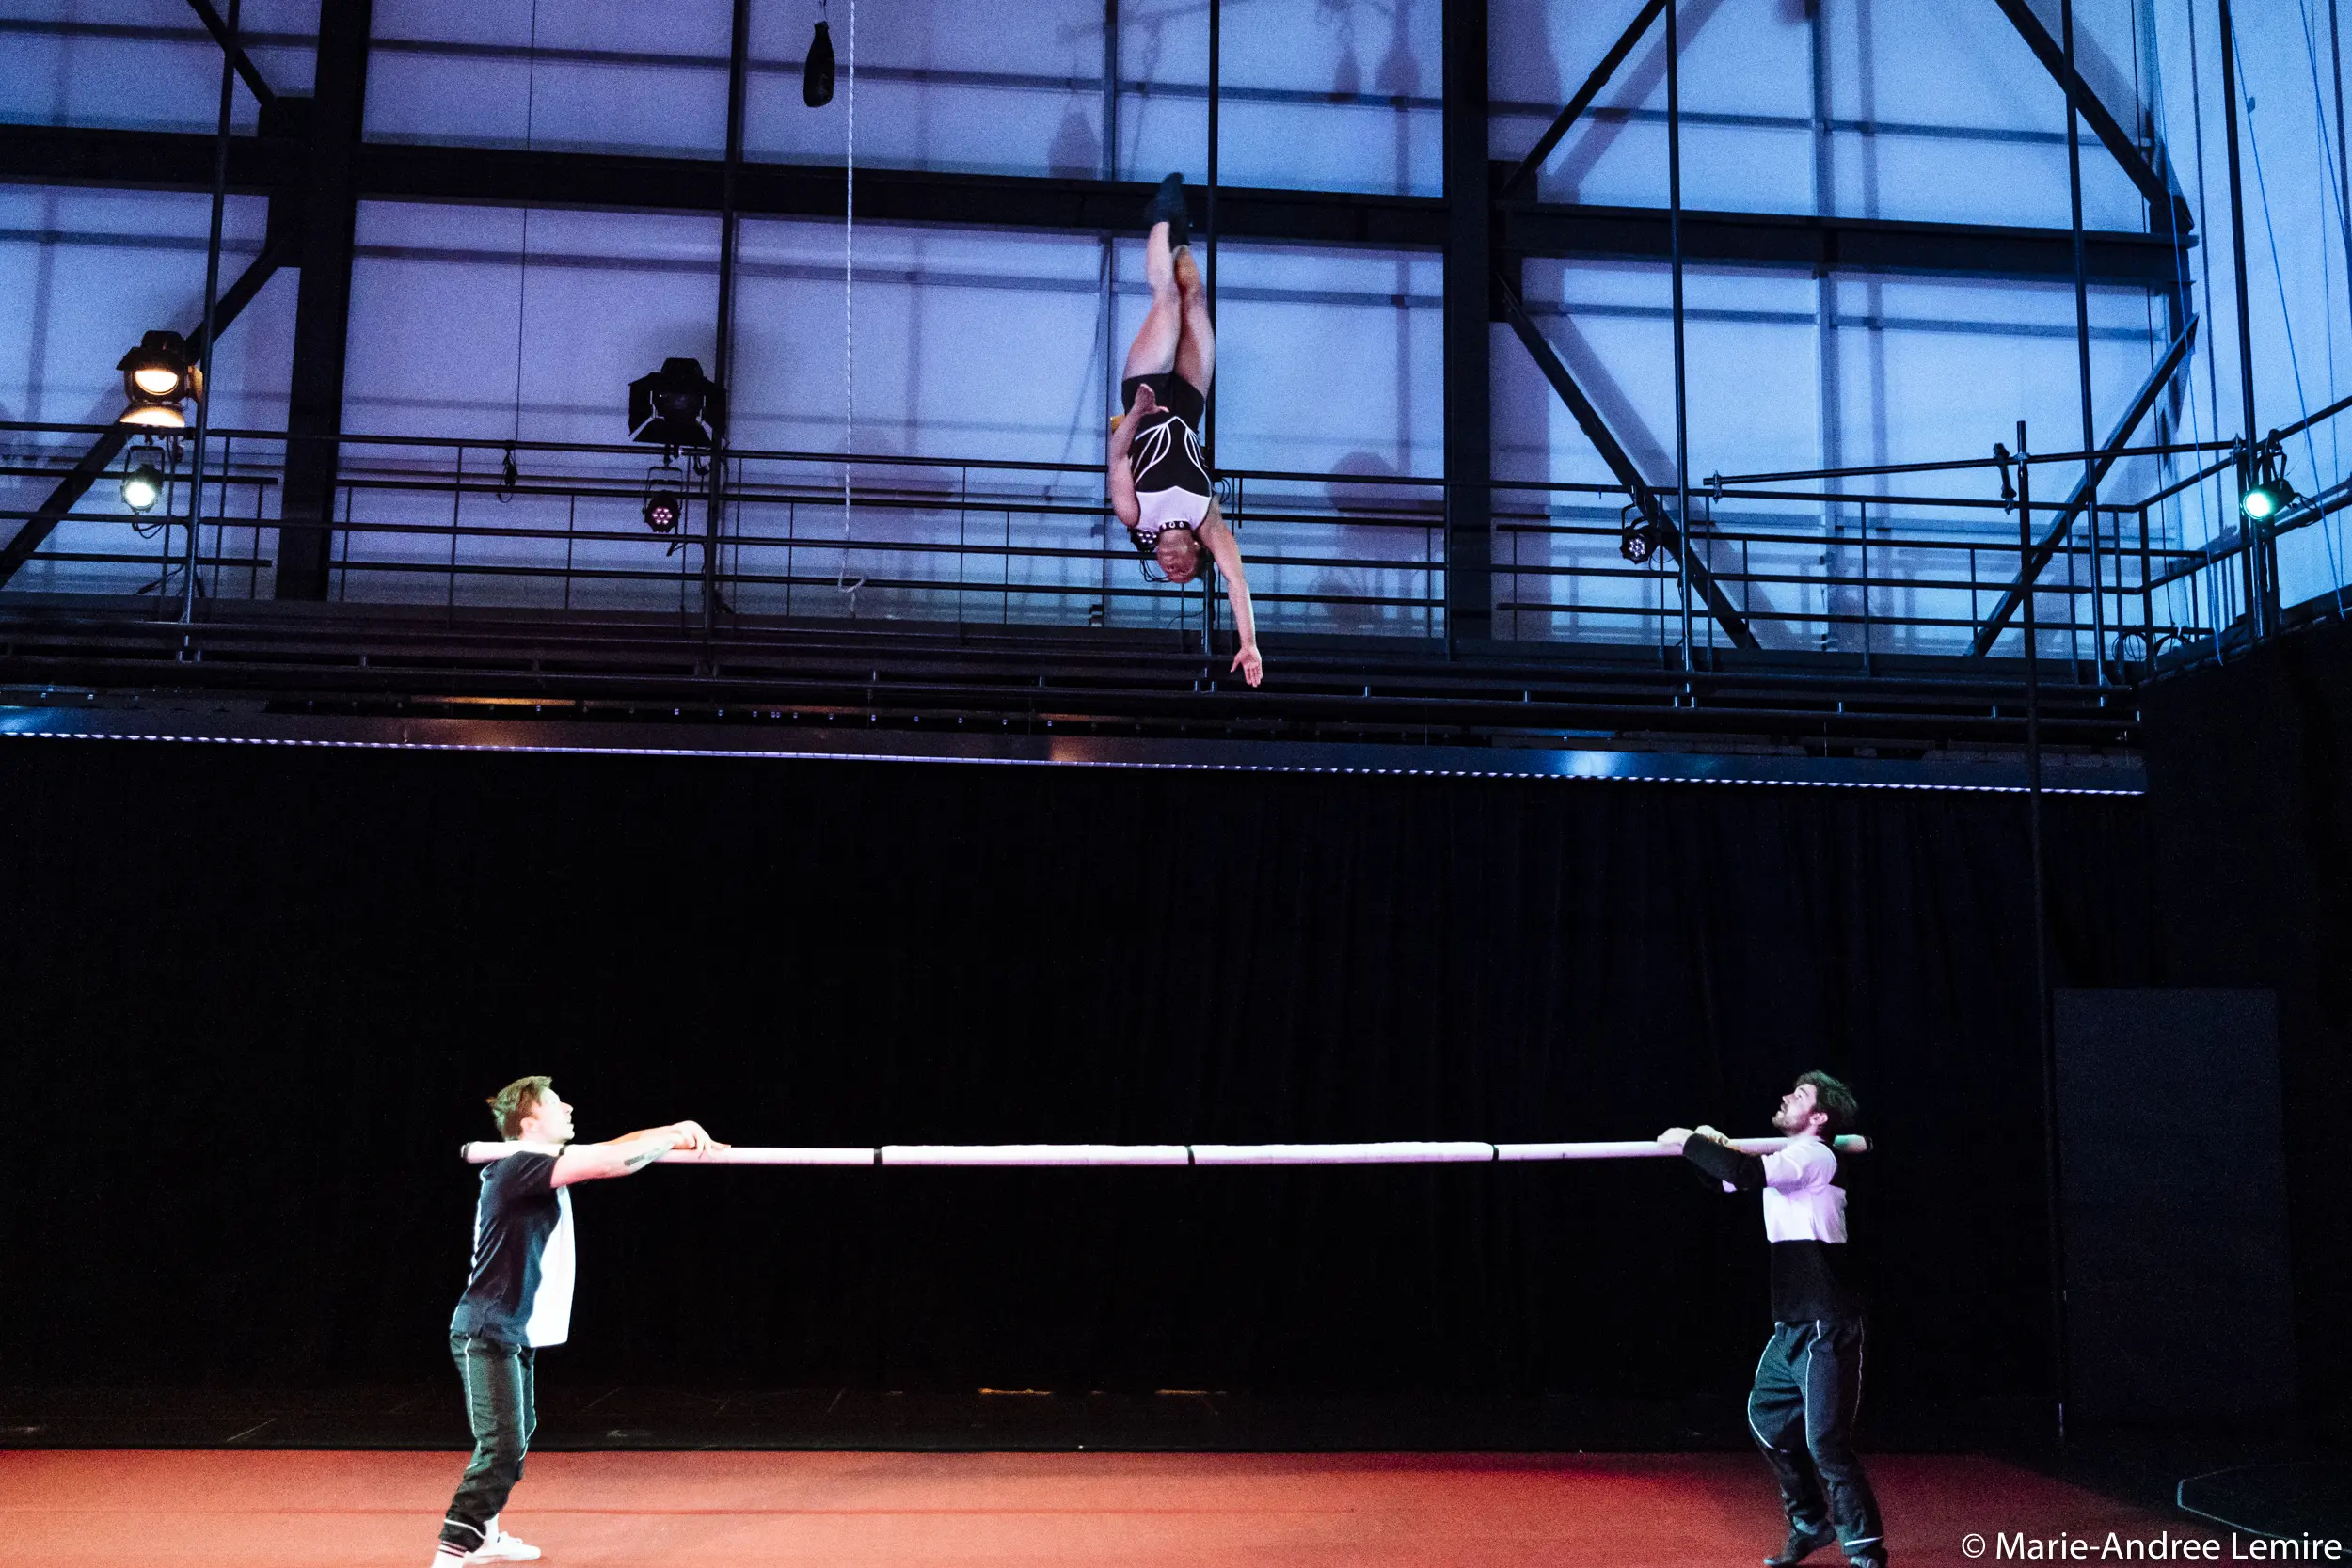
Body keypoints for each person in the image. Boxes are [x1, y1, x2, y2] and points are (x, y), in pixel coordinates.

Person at [432, 1077, 724, 1565]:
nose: (568, 1105)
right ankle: (452, 1549)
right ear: (530, 1124)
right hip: (486, 1329)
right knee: (502, 1448)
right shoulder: (520, 1165)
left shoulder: (537, 1162)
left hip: (510, 1331)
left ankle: (483, 1537)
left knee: (514, 1439)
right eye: (555, 1102)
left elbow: (611, 1148)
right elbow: (613, 1163)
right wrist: (674, 1138)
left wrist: (676, 1126)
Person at [1660, 1073, 1884, 1568]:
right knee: (1767, 1423)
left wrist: (1691, 1141)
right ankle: (1809, 1523)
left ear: (1819, 1117)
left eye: (1800, 1095)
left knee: (1825, 1443)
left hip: (1826, 1322)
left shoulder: (1815, 1156)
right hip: (1792, 1324)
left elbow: (1742, 1173)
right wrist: (1703, 1148)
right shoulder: (1787, 1162)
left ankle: (1865, 1548)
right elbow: (1725, 1178)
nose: (1786, 1096)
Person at [1107, 170, 1264, 688]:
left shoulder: (1135, 515)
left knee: (1168, 301)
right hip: (1190, 405)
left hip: (1146, 397)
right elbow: (1237, 582)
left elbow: (1117, 456)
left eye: (1166, 574)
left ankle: (1161, 216)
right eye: (1185, 575)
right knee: (1194, 295)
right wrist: (1248, 643)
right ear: (1198, 555)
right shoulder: (1207, 521)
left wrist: (1137, 411)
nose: (1174, 573)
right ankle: (1179, 235)